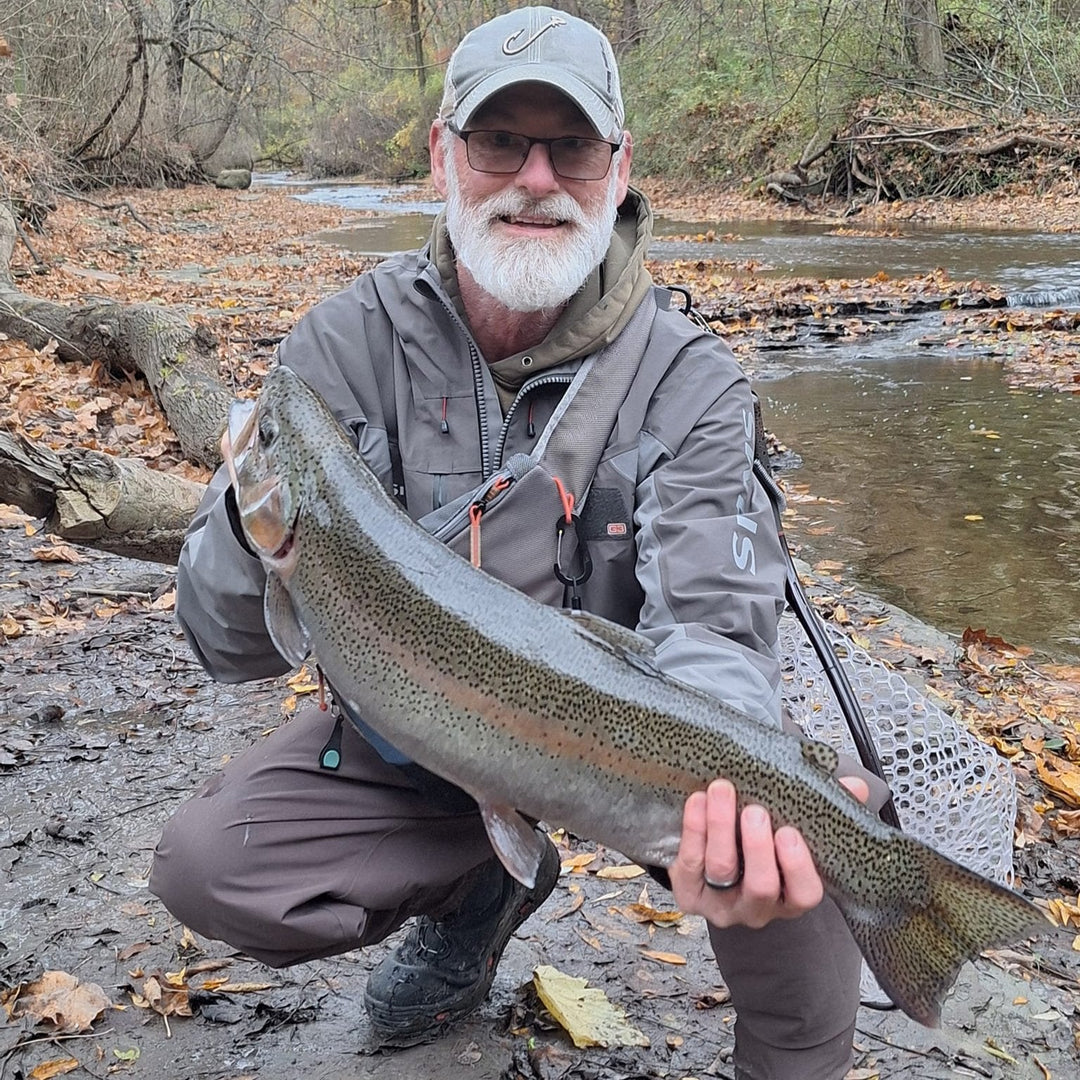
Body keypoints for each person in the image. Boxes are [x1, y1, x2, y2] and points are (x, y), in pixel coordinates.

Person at [150, 8, 883, 1079]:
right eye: (500, 142)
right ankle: (482, 887)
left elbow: (716, 625)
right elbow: (226, 646)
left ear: (618, 165)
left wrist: (734, 782)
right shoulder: (341, 345)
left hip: (642, 747)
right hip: (430, 745)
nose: (534, 176)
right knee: (211, 866)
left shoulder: (694, 382)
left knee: (804, 856)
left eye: (570, 147)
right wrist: (244, 517)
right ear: (445, 154)